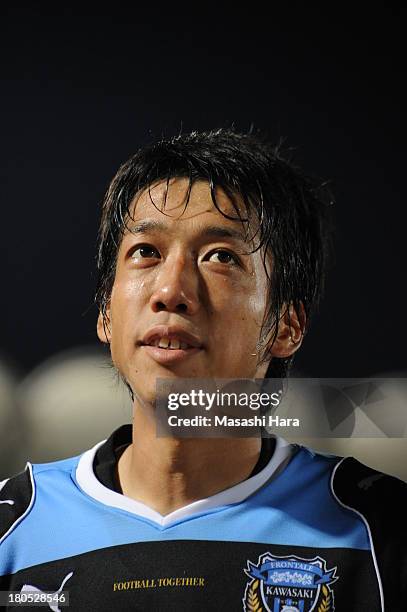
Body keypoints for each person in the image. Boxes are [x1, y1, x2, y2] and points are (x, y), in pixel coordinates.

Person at [0, 129, 406, 611]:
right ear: (106, 314)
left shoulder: (383, 531)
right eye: (146, 252)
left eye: (221, 257)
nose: (171, 290)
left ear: (286, 326)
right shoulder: (11, 529)